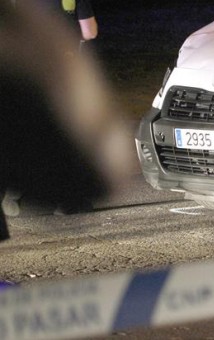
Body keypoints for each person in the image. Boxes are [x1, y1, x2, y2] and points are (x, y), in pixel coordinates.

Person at [0, 0, 131, 243]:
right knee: (53, 132)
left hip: (15, 70)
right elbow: (89, 32)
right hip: (49, 72)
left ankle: (14, 194)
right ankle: (68, 201)